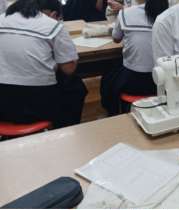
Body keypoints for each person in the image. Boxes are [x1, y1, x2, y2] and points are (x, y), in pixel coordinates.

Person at [0, 0, 87, 128]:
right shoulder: (52, 25)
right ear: (54, 14)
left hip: (2, 106)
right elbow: (69, 68)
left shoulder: (2, 18)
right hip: (37, 106)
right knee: (75, 86)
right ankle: (65, 130)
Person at [100, 0, 169, 115]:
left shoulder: (126, 13)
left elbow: (116, 38)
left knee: (107, 79)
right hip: (162, 81)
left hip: (132, 81)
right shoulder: (169, 15)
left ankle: (113, 114)